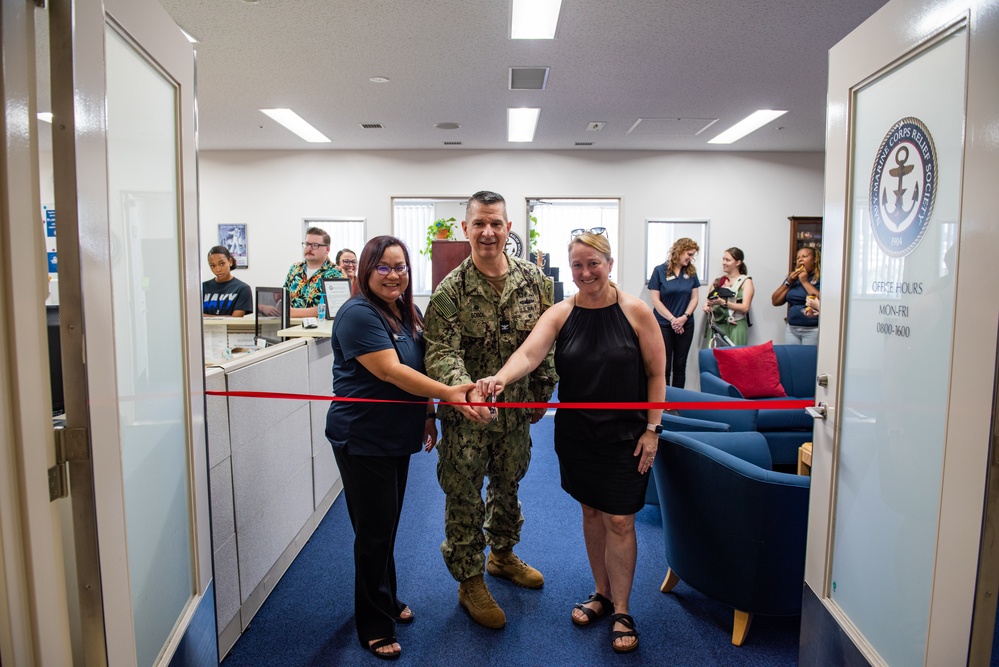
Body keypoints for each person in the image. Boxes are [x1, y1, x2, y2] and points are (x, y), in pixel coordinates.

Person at [476, 232, 665, 654]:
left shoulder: (636, 311)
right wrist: (501, 378)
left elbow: (656, 374)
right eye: (577, 265)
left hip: (627, 436)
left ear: (609, 263)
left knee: (621, 519)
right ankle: (600, 593)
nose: (585, 273)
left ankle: (622, 608)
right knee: (593, 512)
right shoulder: (561, 313)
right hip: (578, 434)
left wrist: (654, 429)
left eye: (593, 264)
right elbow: (529, 354)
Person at [325, 235, 487, 660]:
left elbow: (419, 364)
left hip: (395, 434)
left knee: (386, 525)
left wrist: (428, 413)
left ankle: (386, 598)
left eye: (400, 267)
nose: (394, 275)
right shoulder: (358, 314)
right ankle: (374, 623)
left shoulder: (405, 311)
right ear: (366, 271)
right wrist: (452, 393)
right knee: (374, 532)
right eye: (384, 267)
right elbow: (393, 372)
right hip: (362, 438)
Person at [423, 190, 558, 630]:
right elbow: (440, 352)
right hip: (467, 416)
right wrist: (466, 393)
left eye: (496, 223)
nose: (488, 232)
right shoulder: (449, 291)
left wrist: (542, 389)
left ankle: (501, 555)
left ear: (508, 228)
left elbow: (545, 341)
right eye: (479, 223)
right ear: (465, 228)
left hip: (516, 411)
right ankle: (469, 579)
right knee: (463, 492)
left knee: (509, 481)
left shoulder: (536, 281)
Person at [648, 238, 700, 387]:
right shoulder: (659, 271)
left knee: (679, 365)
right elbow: (655, 301)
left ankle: (677, 403)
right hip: (664, 324)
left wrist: (684, 317)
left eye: (693, 255)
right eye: (689, 254)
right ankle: (664, 402)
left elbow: (694, 298)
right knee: (664, 366)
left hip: (686, 324)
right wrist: (673, 320)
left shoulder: (691, 272)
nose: (691, 258)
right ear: (679, 251)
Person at [283, 227, 344, 318]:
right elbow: (284, 299)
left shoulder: (336, 273)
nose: (309, 248)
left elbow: (332, 308)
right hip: (291, 329)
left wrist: (290, 312)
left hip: (319, 330)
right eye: (307, 244)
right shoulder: (295, 269)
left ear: (327, 249)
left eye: (315, 245)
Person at [702, 247, 754, 347]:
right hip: (718, 326)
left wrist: (723, 303)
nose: (724, 262)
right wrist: (706, 306)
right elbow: (709, 301)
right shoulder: (718, 282)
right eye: (723, 259)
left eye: (728, 260)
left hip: (736, 326)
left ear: (738, 262)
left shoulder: (746, 282)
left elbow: (745, 308)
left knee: (735, 358)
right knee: (714, 358)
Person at [771, 246, 821, 345]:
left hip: (813, 330)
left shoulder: (820, 278)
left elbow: (821, 300)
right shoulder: (793, 278)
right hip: (792, 329)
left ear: (815, 259)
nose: (800, 260)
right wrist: (789, 282)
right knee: (792, 357)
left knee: (808, 358)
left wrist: (805, 282)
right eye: (798, 258)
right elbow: (775, 301)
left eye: (804, 256)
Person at [202, 245, 253, 316]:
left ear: (230, 261)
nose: (218, 269)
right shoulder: (203, 287)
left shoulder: (242, 288)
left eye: (221, 263)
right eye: (213, 266)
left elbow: (235, 319)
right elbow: (194, 316)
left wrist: (205, 316)